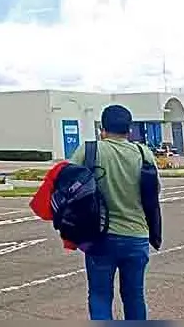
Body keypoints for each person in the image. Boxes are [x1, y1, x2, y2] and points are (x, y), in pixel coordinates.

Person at [69, 105, 158, 321]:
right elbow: (154, 192)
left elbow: (67, 185)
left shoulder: (89, 151)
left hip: (99, 237)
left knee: (100, 296)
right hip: (137, 236)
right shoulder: (143, 153)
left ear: (103, 127)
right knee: (134, 296)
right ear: (129, 129)